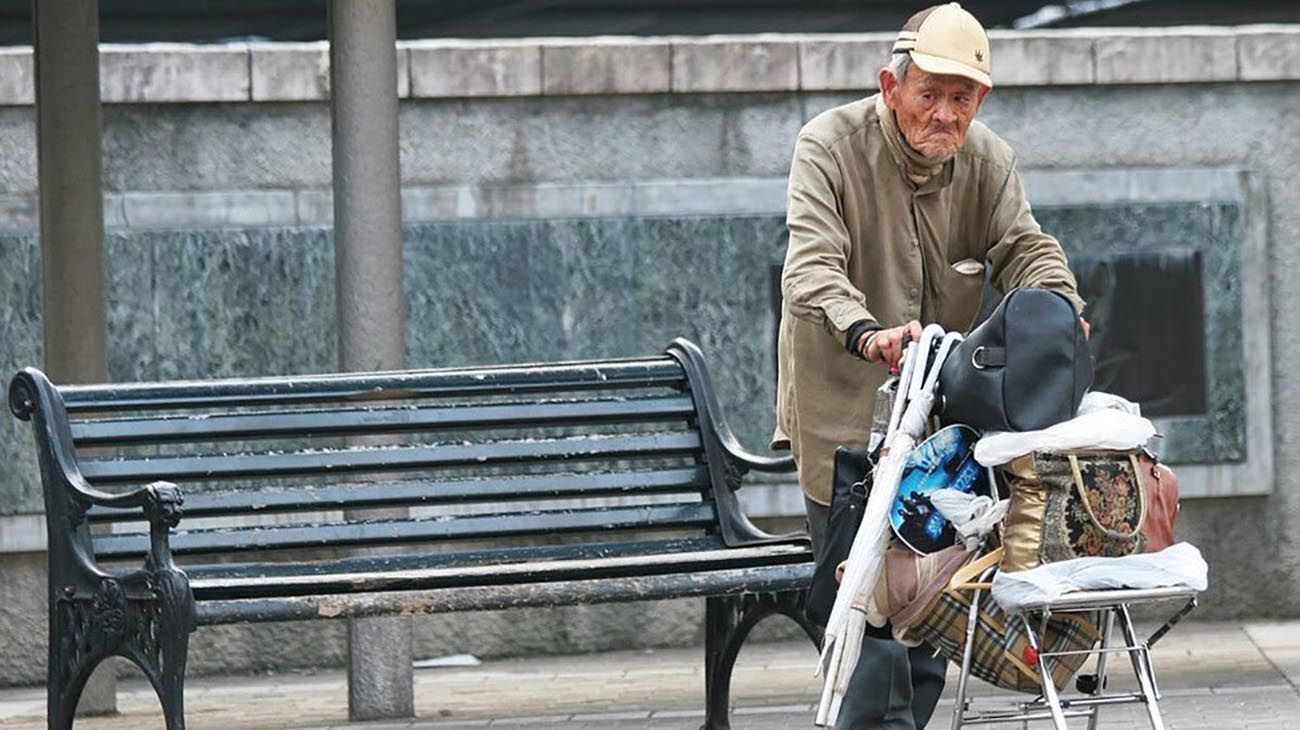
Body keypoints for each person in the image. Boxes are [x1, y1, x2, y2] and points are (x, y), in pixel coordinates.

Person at [773, 3, 1086, 728]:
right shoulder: (827, 146)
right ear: (890, 87)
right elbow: (810, 269)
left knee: (933, 612)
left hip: (944, 434)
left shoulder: (989, 160)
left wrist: (1058, 307)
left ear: (983, 100)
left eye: (962, 98)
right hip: (846, 419)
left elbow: (1026, 246)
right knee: (870, 618)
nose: (945, 114)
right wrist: (868, 333)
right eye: (928, 94)